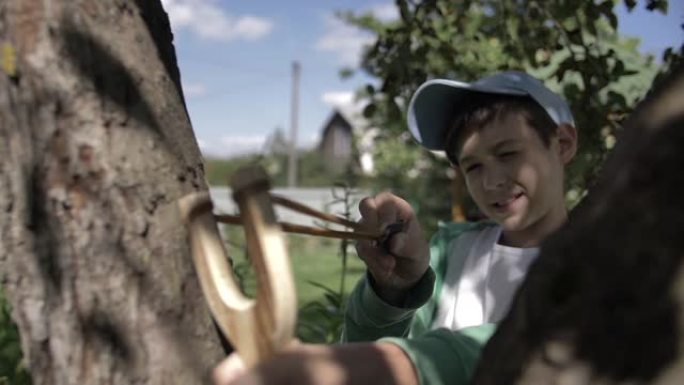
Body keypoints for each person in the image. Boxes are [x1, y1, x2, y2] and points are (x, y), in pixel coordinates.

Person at [213, 71, 578, 385]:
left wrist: (361, 368)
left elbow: (527, 346)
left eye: (508, 153)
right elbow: (361, 343)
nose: (492, 181)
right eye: (473, 167)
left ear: (562, 144)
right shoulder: (452, 251)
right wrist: (392, 292)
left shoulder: (604, 258)